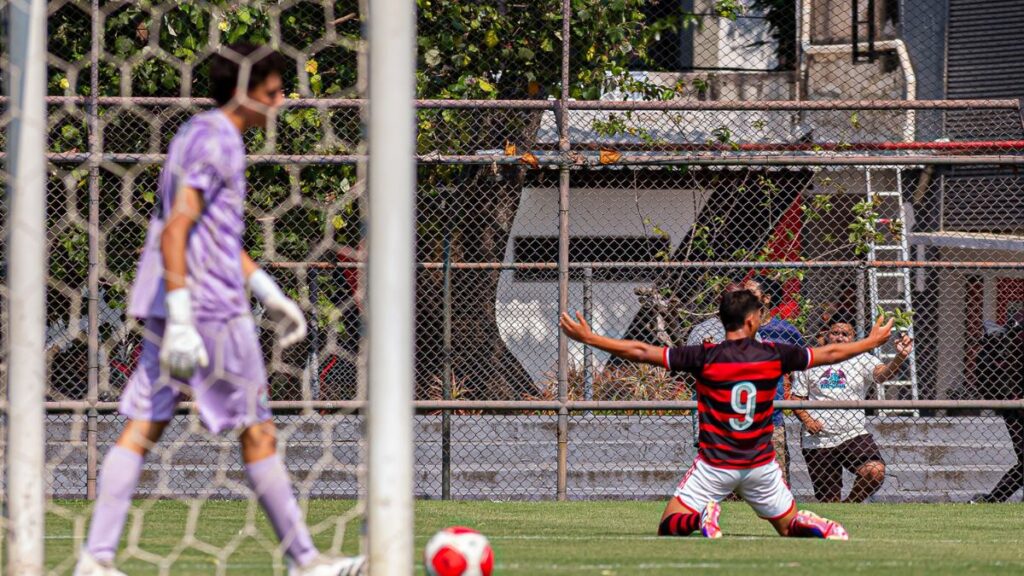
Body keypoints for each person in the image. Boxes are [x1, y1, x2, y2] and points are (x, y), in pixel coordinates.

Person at [74, 44, 365, 576]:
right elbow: (179, 228)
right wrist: (188, 318)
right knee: (257, 430)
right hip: (209, 308)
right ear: (245, 91)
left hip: (176, 300)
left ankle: (95, 559)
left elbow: (213, 233)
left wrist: (268, 291)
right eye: (273, 92)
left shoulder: (194, 132)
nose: (280, 102)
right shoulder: (220, 142)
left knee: (143, 424)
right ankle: (304, 561)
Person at [561, 289, 897, 539]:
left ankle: (699, 518)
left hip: (716, 464)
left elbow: (642, 350)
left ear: (723, 321)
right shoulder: (774, 354)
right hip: (761, 466)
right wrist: (869, 342)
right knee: (786, 526)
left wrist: (590, 337)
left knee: (669, 525)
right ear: (753, 320)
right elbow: (832, 352)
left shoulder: (704, 356)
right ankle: (811, 523)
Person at [791, 320, 910, 503]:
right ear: (827, 335)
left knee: (874, 470)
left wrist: (899, 357)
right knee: (829, 501)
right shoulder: (811, 359)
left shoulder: (861, 358)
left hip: (852, 433)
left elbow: (881, 375)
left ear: (853, 338)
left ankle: (851, 504)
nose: (839, 337)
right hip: (818, 439)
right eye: (835, 333)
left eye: (845, 334)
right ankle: (839, 515)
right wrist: (808, 420)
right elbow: (796, 399)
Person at [754, 276, 805, 486]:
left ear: (765, 299)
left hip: (771, 418)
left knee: (777, 482)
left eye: (751, 293)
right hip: (735, 418)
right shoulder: (734, 330)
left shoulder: (786, 332)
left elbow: (802, 369)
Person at [971, 319, 1024, 502]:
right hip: (1014, 402)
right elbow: (1007, 370)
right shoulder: (1017, 333)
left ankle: (993, 499)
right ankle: (993, 499)